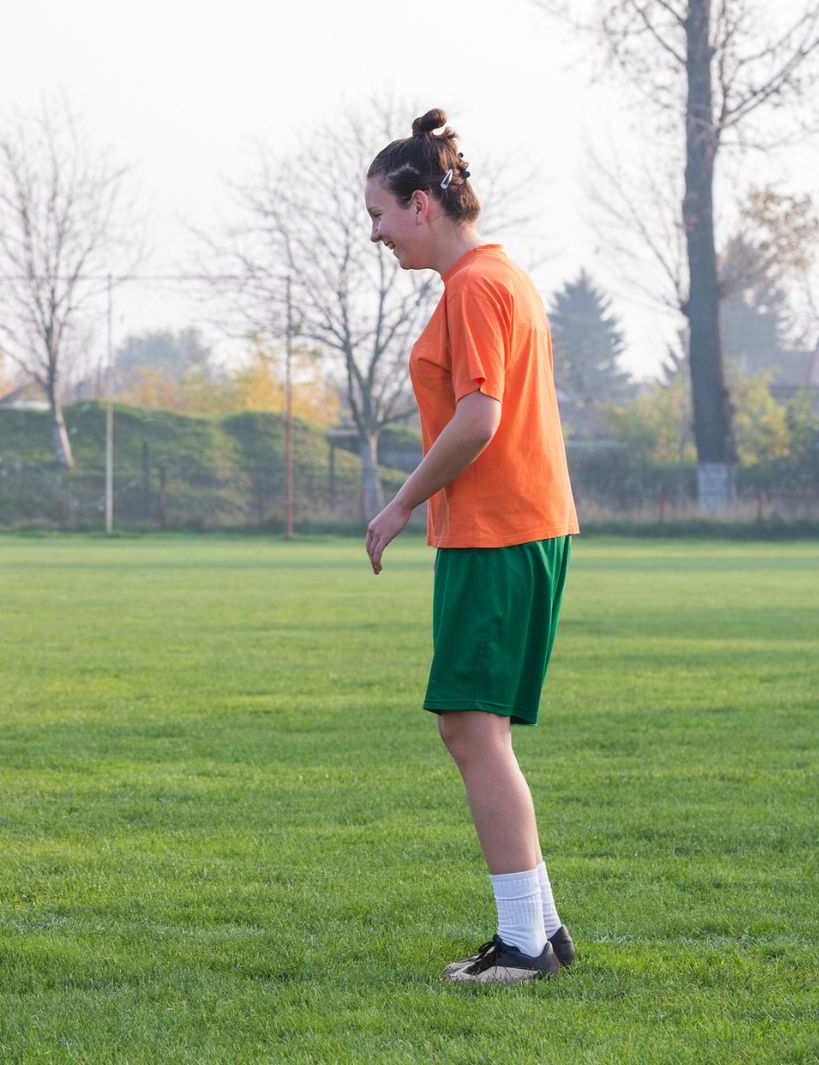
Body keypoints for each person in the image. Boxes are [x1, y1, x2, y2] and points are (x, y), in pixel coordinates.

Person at [362, 109, 580, 984]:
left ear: (422, 204)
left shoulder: (474, 287)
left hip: (500, 531)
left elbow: (480, 417)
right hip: (521, 527)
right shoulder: (504, 279)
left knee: (469, 728)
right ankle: (541, 929)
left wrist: (400, 503)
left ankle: (526, 943)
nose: (375, 233)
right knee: (478, 729)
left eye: (379, 213)